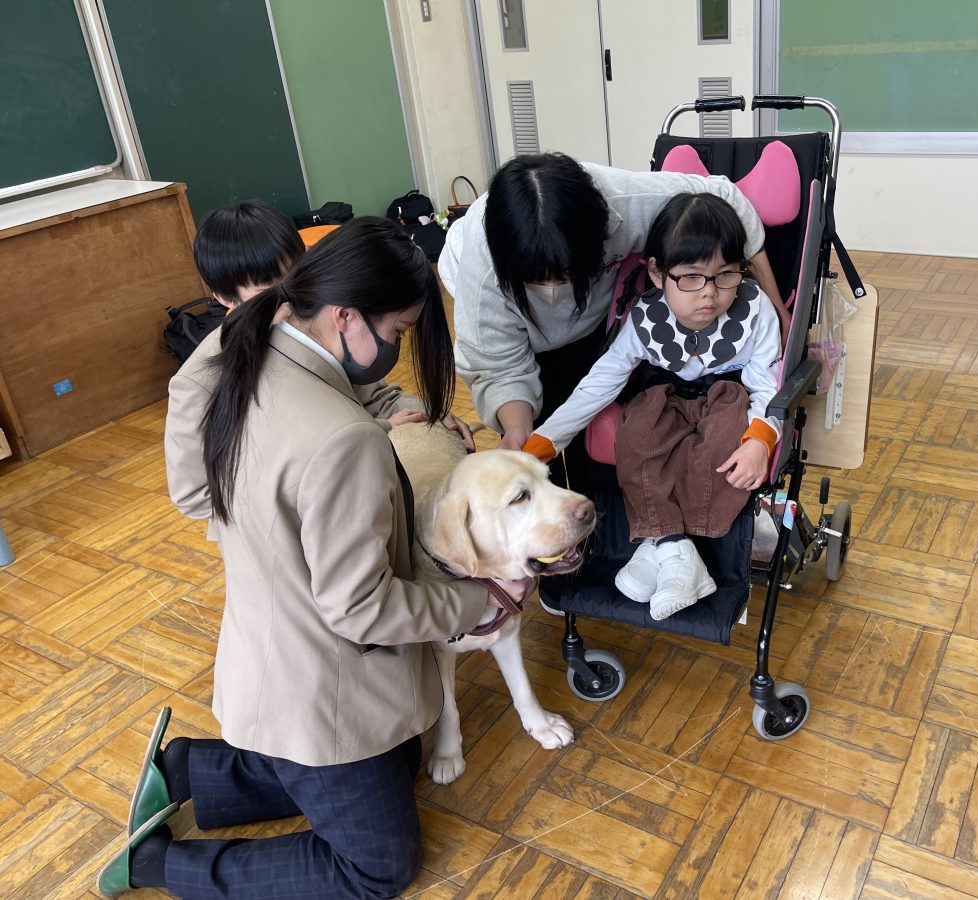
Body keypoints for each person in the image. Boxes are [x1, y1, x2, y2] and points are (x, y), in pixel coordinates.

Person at [99, 218, 517, 899]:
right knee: (379, 868)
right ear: (345, 314)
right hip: (317, 683)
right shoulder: (344, 439)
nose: (397, 348)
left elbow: (210, 492)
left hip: (272, 646)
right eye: (399, 330)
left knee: (406, 755)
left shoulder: (253, 348)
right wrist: (476, 602)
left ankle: (189, 772)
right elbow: (361, 608)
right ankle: (158, 867)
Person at [439, 153, 784, 494]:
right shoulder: (482, 268)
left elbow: (725, 198)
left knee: (589, 449)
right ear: (657, 273)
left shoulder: (627, 203)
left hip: (598, 329)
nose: (553, 290)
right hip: (513, 339)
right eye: (537, 279)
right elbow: (501, 366)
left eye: (567, 273)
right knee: (537, 458)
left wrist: (777, 305)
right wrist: (524, 433)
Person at [521, 194, 781, 621]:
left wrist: (760, 440)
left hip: (728, 395)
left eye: (725, 274)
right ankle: (674, 551)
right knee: (636, 434)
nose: (710, 292)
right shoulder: (645, 317)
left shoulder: (754, 311)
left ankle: (660, 546)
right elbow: (600, 383)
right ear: (658, 273)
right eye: (691, 277)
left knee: (726, 442)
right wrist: (541, 444)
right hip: (665, 392)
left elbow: (765, 385)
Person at [166, 202, 472, 523]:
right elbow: (193, 494)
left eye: (295, 274)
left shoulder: (313, 326)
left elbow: (377, 395)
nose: (287, 296)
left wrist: (431, 414)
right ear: (224, 298)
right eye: (268, 285)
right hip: (290, 527)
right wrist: (362, 438)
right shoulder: (198, 381)